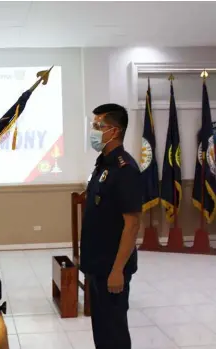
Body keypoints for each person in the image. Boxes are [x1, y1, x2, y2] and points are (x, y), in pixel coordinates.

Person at [80, 104, 142, 349]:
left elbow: (133, 224)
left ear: (114, 131)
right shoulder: (103, 165)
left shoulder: (124, 169)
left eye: (98, 126)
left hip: (112, 267)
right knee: (102, 331)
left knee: (114, 333)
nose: (94, 131)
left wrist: (117, 270)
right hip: (97, 264)